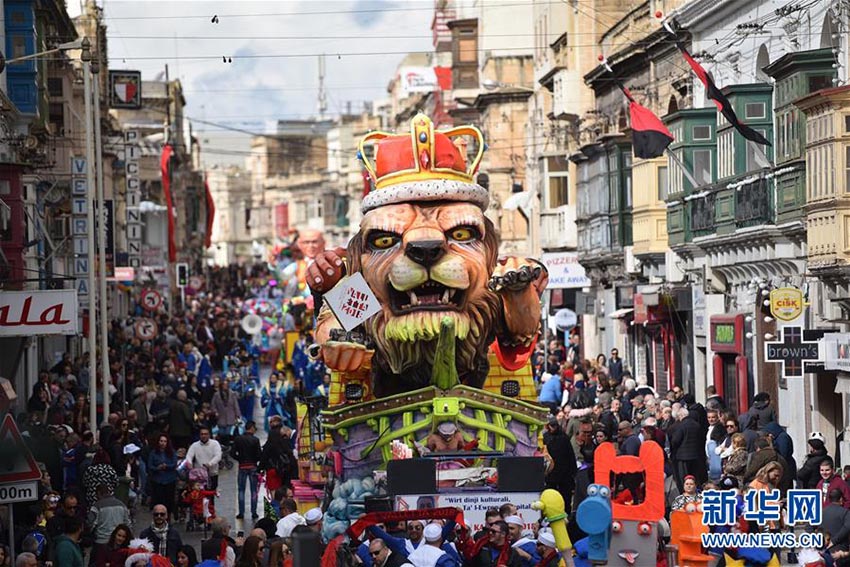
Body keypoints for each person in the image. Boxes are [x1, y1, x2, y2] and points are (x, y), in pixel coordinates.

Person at [88, 483, 131, 565]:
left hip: (101, 542)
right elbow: (128, 524)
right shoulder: (122, 505)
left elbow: (90, 524)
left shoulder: (97, 506)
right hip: (118, 544)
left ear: (98, 493)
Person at [185, 426, 223, 505]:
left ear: (209, 435)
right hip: (199, 476)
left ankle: (211, 510)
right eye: (202, 434)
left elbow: (218, 456)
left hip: (212, 474)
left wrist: (210, 464)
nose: (204, 436)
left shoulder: (215, 444)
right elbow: (189, 456)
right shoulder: (195, 445)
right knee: (199, 495)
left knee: (210, 495)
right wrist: (189, 463)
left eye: (206, 434)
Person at [233, 420, 262, 520]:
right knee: (254, 490)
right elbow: (259, 454)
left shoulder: (238, 439)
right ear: (252, 428)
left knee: (241, 490)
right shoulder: (255, 440)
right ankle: (254, 512)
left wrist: (240, 459)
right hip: (253, 466)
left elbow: (232, 453)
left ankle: (241, 513)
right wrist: (255, 461)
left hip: (242, 466)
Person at [148, 433, 178, 512]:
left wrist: (167, 466)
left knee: (169, 500)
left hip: (170, 480)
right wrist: (157, 468)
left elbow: (174, 464)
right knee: (159, 500)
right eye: (161, 441)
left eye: (165, 441)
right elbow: (150, 466)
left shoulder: (172, 452)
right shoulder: (153, 453)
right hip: (157, 480)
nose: (163, 443)